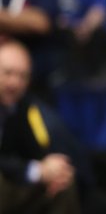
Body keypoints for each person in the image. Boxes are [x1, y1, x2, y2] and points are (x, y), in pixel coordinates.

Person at [0, 38, 80, 214]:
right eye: (8, 73)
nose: (14, 83)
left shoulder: (23, 106)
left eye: (22, 76)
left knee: (63, 179)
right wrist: (37, 170)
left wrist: (51, 170)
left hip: (13, 180)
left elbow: (37, 149)